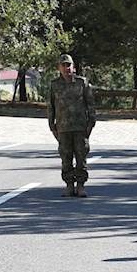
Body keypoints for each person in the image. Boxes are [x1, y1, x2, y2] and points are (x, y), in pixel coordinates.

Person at [47, 54, 95, 196]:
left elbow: (90, 105)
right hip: (63, 127)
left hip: (80, 127)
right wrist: (51, 125)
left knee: (81, 157)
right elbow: (51, 106)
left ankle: (80, 186)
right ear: (59, 68)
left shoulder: (82, 83)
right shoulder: (54, 85)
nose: (66, 68)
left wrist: (91, 124)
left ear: (73, 67)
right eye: (63, 65)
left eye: (68, 65)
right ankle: (69, 185)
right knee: (65, 157)